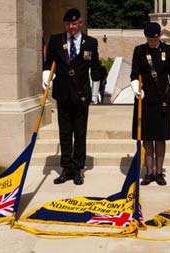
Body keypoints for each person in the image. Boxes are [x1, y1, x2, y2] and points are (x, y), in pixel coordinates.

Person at [42, 8, 101, 185]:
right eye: (68, 24)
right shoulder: (56, 40)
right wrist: (46, 76)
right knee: (65, 133)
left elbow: (95, 68)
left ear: (80, 23)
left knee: (80, 132)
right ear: (64, 24)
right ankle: (66, 168)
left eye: (74, 24)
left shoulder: (90, 42)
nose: (71, 27)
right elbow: (48, 63)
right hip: (63, 93)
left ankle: (77, 169)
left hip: (82, 94)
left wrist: (96, 90)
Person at [130, 22, 170, 186]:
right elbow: (134, 73)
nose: (151, 42)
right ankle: (149, 172)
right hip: (144, 98)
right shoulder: (140, 50)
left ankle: (159, 172)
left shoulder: (169, 50)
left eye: (154, 39)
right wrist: (136, 88)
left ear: (159, 36)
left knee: (160, 137)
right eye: (149, 39)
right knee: (147, 137)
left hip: (162, 99)